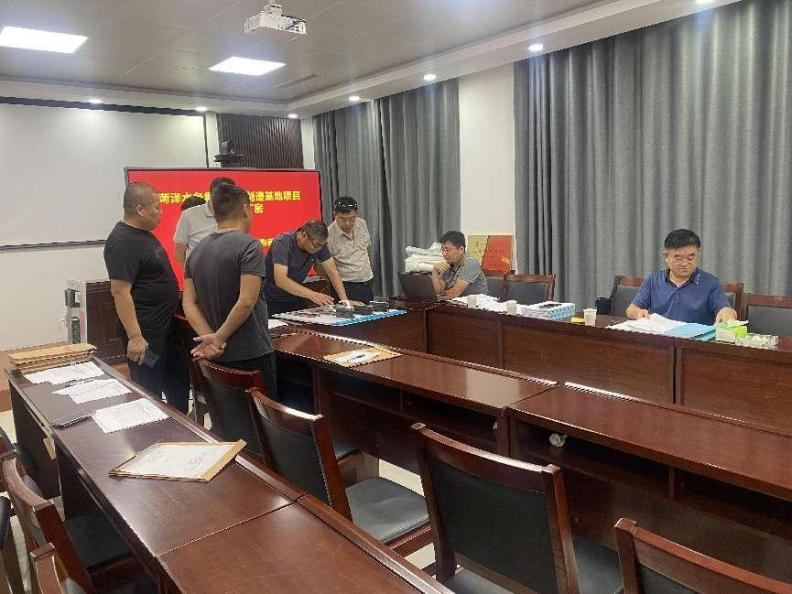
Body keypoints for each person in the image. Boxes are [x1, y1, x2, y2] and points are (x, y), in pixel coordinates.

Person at [182, 184, 277, 398]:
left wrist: (210, 338)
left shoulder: (196, 251)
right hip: (251, 353)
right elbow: (246, 301)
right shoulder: (249, 245)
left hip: (215, 356)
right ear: (245, 209)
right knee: (260, 415)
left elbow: (189, 302)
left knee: (229, 415)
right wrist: (218, 338)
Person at [103, 182, 189, 413]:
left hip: (166, 330)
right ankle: (156, 433)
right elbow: (120, 291)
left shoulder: (143, 235)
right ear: (140, 209)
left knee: (178, 381)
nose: (161, 212)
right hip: (145, 338)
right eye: (157, 207)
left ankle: (181, 427)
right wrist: (135, 337)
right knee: (149, 388)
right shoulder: (122, 241)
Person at [627, 229, 738, 324]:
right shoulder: (653, 280)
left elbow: (725, 309)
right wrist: (638, 313)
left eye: (690, 258)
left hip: (693, 340)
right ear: (666, 257)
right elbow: (631, 309)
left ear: (698, 254)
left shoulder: (711, 283)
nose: (685, 263)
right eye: (678, 258)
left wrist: (727, 312)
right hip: (661, 339)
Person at [263, 220, 356, 315]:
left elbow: (333, 271)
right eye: (316, 245)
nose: (319, 249)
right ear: (304, 235)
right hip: (271, 298)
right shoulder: (283, 243)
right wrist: (313, 295)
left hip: (295, 295)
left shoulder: (319, 244)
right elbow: (281, 280)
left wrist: (345, 300)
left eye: (321, 245)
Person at [173, 176, 235, 266]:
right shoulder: (189, 215)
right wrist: (191, 273)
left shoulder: (237, 215)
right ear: (211, 194)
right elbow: (179, 253)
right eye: (220, 195)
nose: (223, 200)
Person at [326, 196, 374, 303]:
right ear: (335, 215)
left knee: (370, 313)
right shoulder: (328, 235)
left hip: (367, 283)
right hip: (346, 287)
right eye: (343, 219)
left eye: (352, 218)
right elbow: (323, 266)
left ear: (356, 214)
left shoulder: (361, 224)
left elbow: (366, 248)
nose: (348, 223)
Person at [431, 231, 489, 298]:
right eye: (442, 250)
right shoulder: (449, 263)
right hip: (457, 302)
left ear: (461, 249)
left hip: (477, 303)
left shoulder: (471, 263)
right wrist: (434, 271)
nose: (444, 254)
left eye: (447, 250)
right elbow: (438, 291)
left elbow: (453, 294)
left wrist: (442, 293)